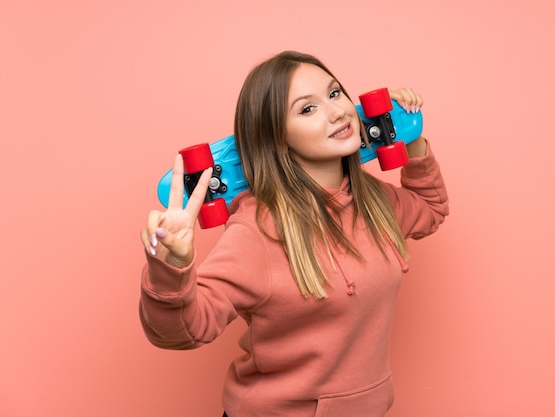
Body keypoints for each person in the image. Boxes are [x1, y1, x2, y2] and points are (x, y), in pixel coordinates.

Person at [139, 50, 449, 417]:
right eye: (307, 109)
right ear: (276, 139)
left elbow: (430, 209)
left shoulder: (373, 200)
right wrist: (171, 267)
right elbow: (181, 331)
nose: (336, 111)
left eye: (335, 94)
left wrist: (411, 135)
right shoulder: (258, 231)